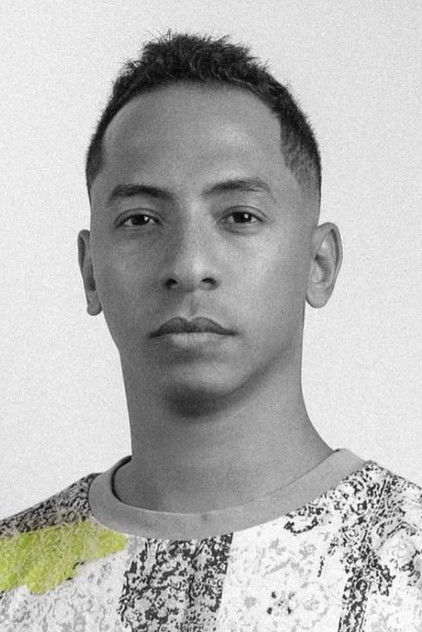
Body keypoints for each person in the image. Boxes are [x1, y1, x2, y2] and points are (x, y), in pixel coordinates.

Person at [1, 30, 421, 631]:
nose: (189, 264)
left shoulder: (406, 563)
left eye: (240, 216)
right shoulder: (11, 581)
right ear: (91, 273)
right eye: (141, 219)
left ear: (319, 264)